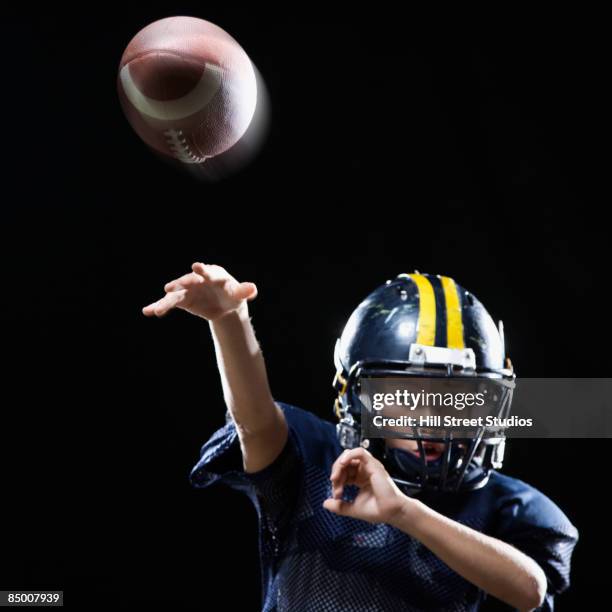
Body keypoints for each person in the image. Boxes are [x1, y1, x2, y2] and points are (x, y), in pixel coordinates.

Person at [143, 263, 578, 611]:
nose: (432, 417)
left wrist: (405, 513)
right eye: (407, 396)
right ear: (359, 396)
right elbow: (254, 422)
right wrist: (229, 320)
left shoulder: (510, 506)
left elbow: (530, 590)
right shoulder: (324, 463)